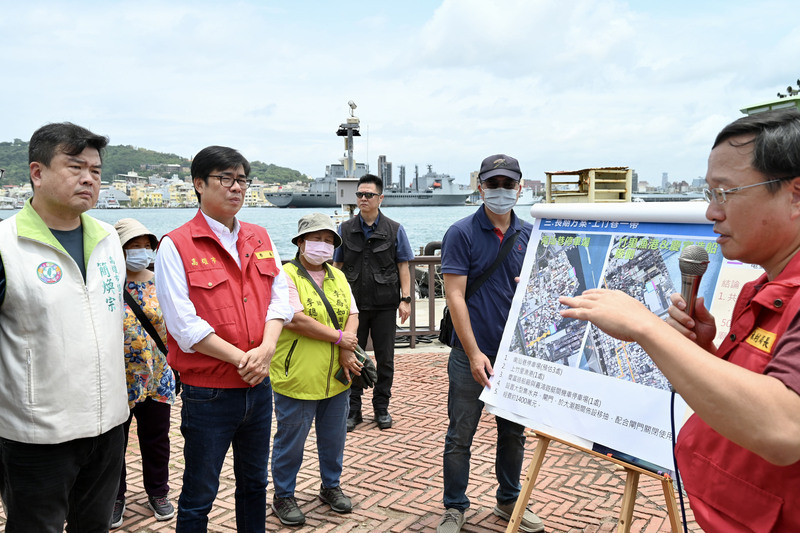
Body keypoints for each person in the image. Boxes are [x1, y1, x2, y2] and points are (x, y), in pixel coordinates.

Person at [559, 109, 800, 532]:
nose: (711, 213)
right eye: (709, 194)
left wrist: (645, 326)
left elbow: (783, 426)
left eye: (725, 193)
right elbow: (757, 393)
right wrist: (703, 352)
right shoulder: (770, 288)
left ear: (795, 194)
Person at [155, 145, 293, 532]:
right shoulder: (176, 244)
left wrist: (265, 350)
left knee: (255, 484)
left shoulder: (260, 236)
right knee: (200, 491)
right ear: (199, 184)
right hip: (209, 391)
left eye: (242, 180)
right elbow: (183, 325)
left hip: (258, 386)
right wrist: (243, 359)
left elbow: (280, 298)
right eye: (225, 179)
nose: (237, 188)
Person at [0, 122, 129, 531]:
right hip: (37, 434)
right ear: (37, 173)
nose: (88, 178)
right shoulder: (6, 246)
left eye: (95, 170)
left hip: (108, 425)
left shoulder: (109, 239)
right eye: (75, 167)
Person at [438, 154, 543, 533]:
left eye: (508, 184)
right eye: (493, 184)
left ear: (520, 187)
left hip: (514, 355)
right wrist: (473, 352)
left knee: (513, 433)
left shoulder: (531, 234)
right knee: (460, 434)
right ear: (480, 187)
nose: (501, 191)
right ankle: (454, 506)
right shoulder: (461, 233)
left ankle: (508, 499)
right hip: (470, 354)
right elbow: (455, 296)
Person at [269, 212, 362, 526]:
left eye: (328, 241)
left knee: (333, 438)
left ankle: (330, 486)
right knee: (291, 441)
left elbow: (352, 313)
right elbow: (295, 319)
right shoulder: (286, 275)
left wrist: (347, 348)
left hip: (337, 374)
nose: (322, 246)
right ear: (299, 242)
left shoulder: (337, 275)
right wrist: (340, 338)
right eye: (316, 239)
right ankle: (283, 494)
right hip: (298, 374)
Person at [333, 174, 413, 431]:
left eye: (368, 195)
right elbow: (337, 266)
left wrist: (406, 299)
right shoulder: (344, 230)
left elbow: (403, 265)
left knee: (385, 359)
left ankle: (381, 408)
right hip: (353, 307)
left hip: (385, 305)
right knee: (353, 355)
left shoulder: (394, 229)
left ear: (380, 198)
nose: (363, 199)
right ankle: (353, 410)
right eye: (359, 195)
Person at [111, 218, 177, 528]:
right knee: (114, 443)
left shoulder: (162, 279)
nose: (140, 251)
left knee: (156, 439)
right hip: (117, 380)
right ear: (118, 250)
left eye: (145, 246)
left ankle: (158, 492)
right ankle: (114, 496)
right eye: (132, 246)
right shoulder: (108, 282)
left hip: (157, 377)